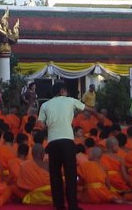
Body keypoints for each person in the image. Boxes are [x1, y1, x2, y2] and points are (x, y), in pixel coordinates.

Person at [38, 81, 92, 210]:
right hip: (67, 141)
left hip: (52, 142)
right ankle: (73, 206)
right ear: (62, 90)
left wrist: (49, 128)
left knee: (55, 175)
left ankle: (59, 205)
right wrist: (98, 114)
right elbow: (86, 109)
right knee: (70, 174)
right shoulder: (70, 101)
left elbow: (40, 124)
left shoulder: (45, 105)